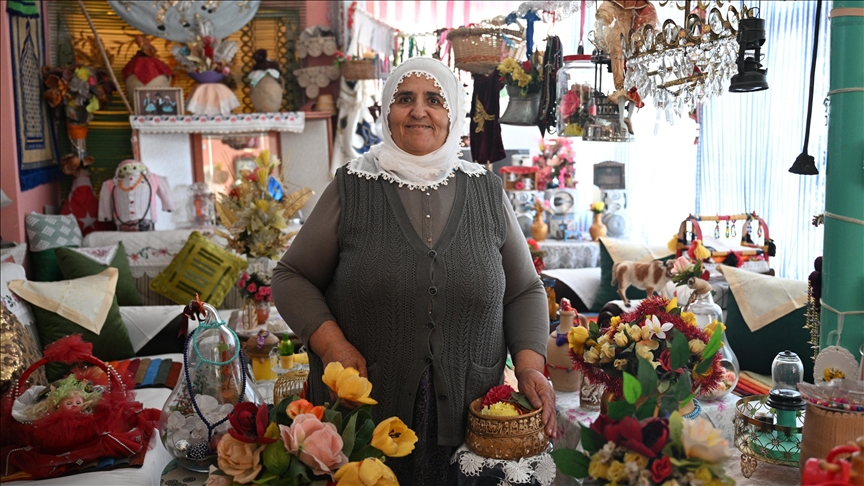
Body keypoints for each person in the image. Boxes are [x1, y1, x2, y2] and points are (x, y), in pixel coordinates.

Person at [271, 57, 556, 483]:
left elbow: (524, 291)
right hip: (365, 418)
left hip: (469, 420)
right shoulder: (353, 186)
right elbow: (291, 277)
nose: (419, 110)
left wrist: (531, 366)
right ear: (387, 112)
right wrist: (334, 347)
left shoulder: (486, 191)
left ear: (452, 114)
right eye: (405, 99)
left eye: (434, 100)